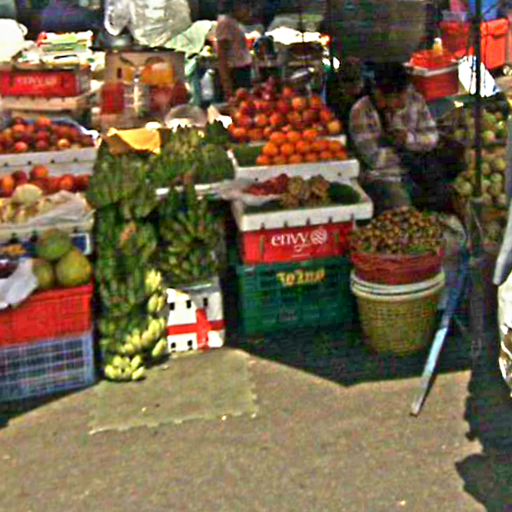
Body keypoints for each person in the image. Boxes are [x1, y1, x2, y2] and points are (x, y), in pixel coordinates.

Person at [349, 62, 454, 214]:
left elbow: (432, 138)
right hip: (384, 178)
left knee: (446, 201)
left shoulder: (416, 100)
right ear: (379, 94)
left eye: (405, 94)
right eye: (396, 98)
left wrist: (408, 139)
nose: (403, 102)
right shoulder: (361, 111)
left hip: (418, 172)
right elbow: (374, 159)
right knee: (403, 211)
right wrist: (407, 153)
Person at [216, 0, 253, 100]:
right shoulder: (225, 23)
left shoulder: (236, 23)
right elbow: (222, 56)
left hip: (243, 69)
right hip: (235, 72)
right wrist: (227, 85)